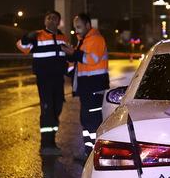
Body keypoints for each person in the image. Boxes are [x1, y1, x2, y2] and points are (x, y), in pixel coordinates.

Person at [16, 11, 70, 155]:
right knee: (47, 110)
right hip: (44, 79)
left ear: (59, 22)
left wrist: (71, 72)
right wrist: (27, 37)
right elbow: (22, 46)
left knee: (57, 108)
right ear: (45, 21)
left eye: (55, 19)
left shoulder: (62, 37)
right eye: (49, 18)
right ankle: (46, 145)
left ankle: (51, 142)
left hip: (58, 79)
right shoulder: (37, 36)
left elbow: (68, 57)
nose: (51, 21)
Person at [61, 13, 109, 159]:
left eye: (79, 27)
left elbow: (92, 59)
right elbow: (77, 65)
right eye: (75, 27)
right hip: (86, 87)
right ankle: (89, 151)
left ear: (88, 25)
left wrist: (74, 53)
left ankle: (96, 153)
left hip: (94, 86)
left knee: (92, 120)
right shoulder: (83, 41)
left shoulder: (96, 39)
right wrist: (70, 56)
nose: (76, 30)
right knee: (86, 119)